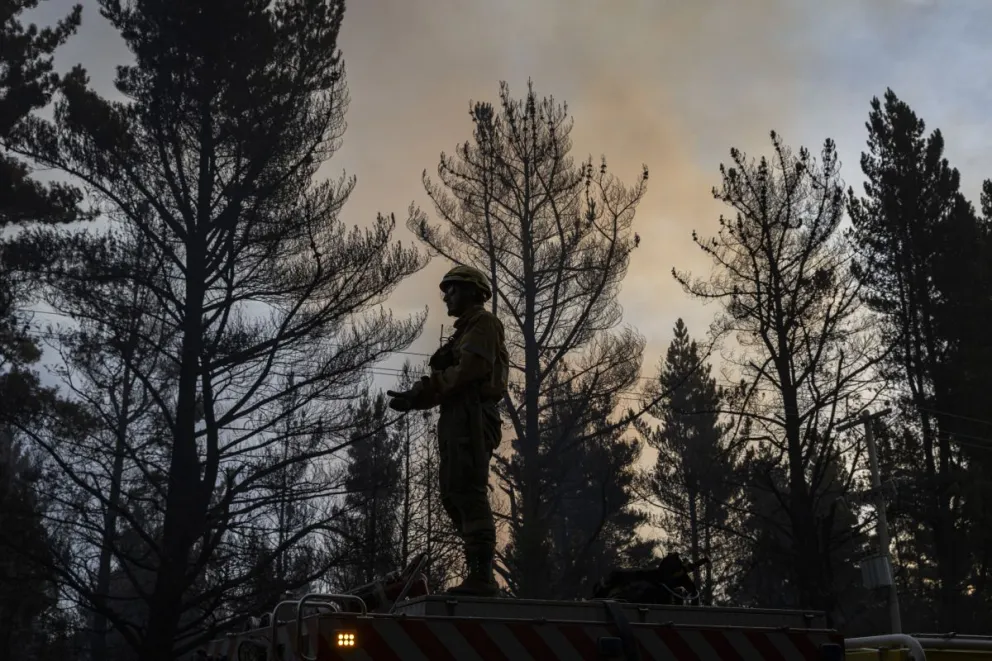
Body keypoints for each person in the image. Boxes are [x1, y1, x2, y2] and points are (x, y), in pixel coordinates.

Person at [387, 265, 509, 597]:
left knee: (467, 490)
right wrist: (416, 397)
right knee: (454, 492)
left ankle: (481, 577)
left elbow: (468, 371)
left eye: (453, 290)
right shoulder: (467, 330)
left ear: (472, 292)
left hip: (472, 415)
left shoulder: (484, 323)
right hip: (458, 415)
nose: (447, 297)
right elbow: (453, 378)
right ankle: (477, 572)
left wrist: (424, 392)